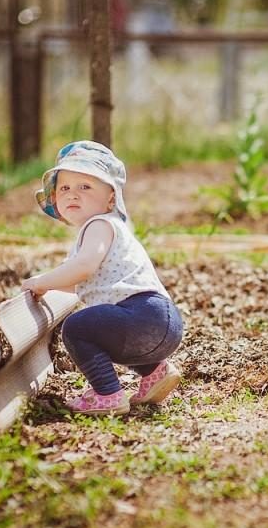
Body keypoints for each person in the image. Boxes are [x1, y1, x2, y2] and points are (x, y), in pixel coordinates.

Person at [22, 141, 183, 415]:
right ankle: (155, 371)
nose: (73, 194)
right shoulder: (111, 229)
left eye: (85, 187)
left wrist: (41, 281)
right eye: (64, 188)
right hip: (161, 323)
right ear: (57, 202)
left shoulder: (98, 225)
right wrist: (51, 286)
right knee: (105, 330)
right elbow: (78, 282)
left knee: (77, 328)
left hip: (141, 315)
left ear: (110, 199)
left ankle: (106, 394)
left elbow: (84, 267)